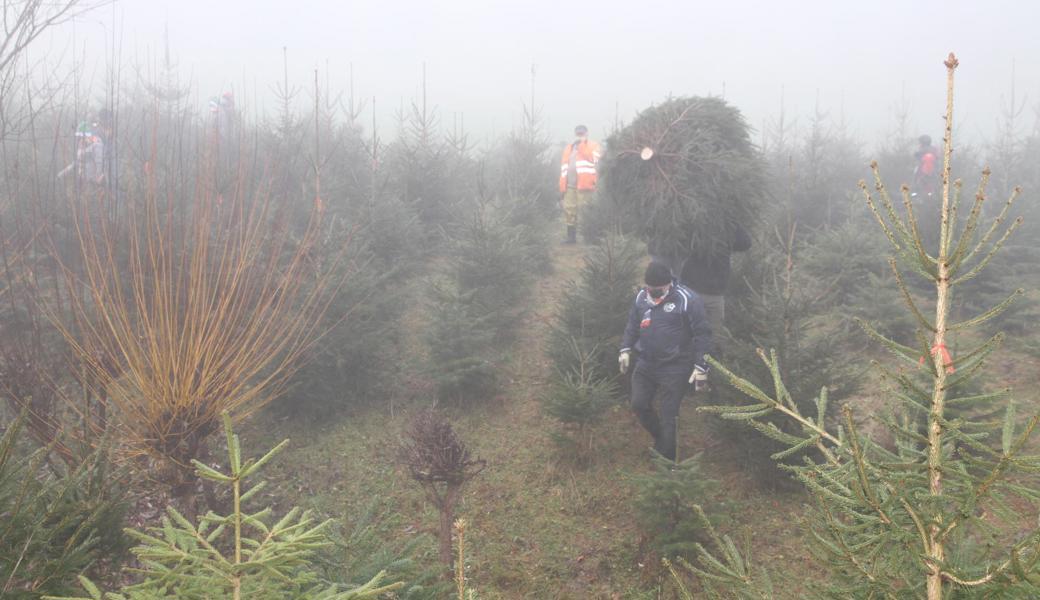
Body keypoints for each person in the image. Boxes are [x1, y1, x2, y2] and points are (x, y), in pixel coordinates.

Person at [619, 261, 712, 461]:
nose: (653, 294)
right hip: (646, 363)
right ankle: (662, 439)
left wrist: (701, 366)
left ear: (669, 284)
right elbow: (632, 325)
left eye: (658, 291)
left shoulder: (687, 300)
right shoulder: (641, 298)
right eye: (650, 290)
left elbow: (703, 335)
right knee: (638, 404)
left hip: (675, 366)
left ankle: (667, 463)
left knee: (669, 415)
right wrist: (625, 349)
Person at [678, 223, 751, 360]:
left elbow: (745, 243)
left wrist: (733, 224)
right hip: (699, 290)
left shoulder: (726, 227)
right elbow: (745, 243)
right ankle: (696, 365)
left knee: (712, 333)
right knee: (700, 331)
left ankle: (711, 367)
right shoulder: (698, 225)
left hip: (707, 291)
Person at [558, 124, 600, 244]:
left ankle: (589, 238)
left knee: (585, 210)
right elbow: (564, 168)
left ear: (587, 133)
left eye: (582, 133)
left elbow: (595, 159)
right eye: (578, 133)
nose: (580, 135)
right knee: (569, 211)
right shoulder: (568, 148)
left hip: (585, 185)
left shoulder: (593, 146)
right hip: (569, 186)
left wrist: (582, 145)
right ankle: (571, 238)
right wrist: (561, 187)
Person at [912, 134, 939, 199]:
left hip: (924, 170)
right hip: (931, 171)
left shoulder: (925, 150)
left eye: (920, 142)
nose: (919, 144)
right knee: (927, 182)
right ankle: (928, 194)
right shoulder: (933, 149)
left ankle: (916, 194)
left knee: (917, 179)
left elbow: (917, 155)